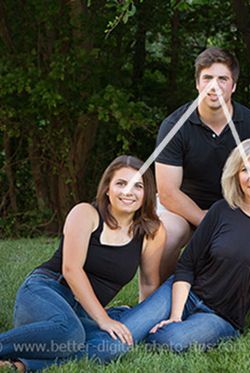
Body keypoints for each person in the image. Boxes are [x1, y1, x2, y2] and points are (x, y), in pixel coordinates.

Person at [0, 156, 166, 371]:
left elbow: (149, 284)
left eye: (138, 186)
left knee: (115, 346)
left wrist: (144, 322)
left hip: (83, 313)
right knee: (69, 333)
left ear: (147, 193)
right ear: (107, 188)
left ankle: (19, 366)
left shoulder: (151, 232)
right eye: (121, 183)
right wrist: (104, 319)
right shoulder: (86, 213)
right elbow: (71, 269)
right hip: (47, 293)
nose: (128, 192)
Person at [138, 137, 250, 352]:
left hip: (222, 317)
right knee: (125, 332)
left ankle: (144, 324)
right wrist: (175, 315)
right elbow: (187, 265)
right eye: (244, 170)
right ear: (236, 175)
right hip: (187, 293)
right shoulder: (222, 210)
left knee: (168, 340)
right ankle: (119, 318)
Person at [155, 47, 250, 280]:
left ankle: (245, 297)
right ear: (197, 83)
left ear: (233, 85)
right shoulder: (174, 125)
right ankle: (158, 296)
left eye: (222, 79)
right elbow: (167, 192)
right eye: (207, 77)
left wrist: (227, 217)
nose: (214, 85)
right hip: (182, 208)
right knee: (167, 235)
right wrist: (205, 219)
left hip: (234, 205)